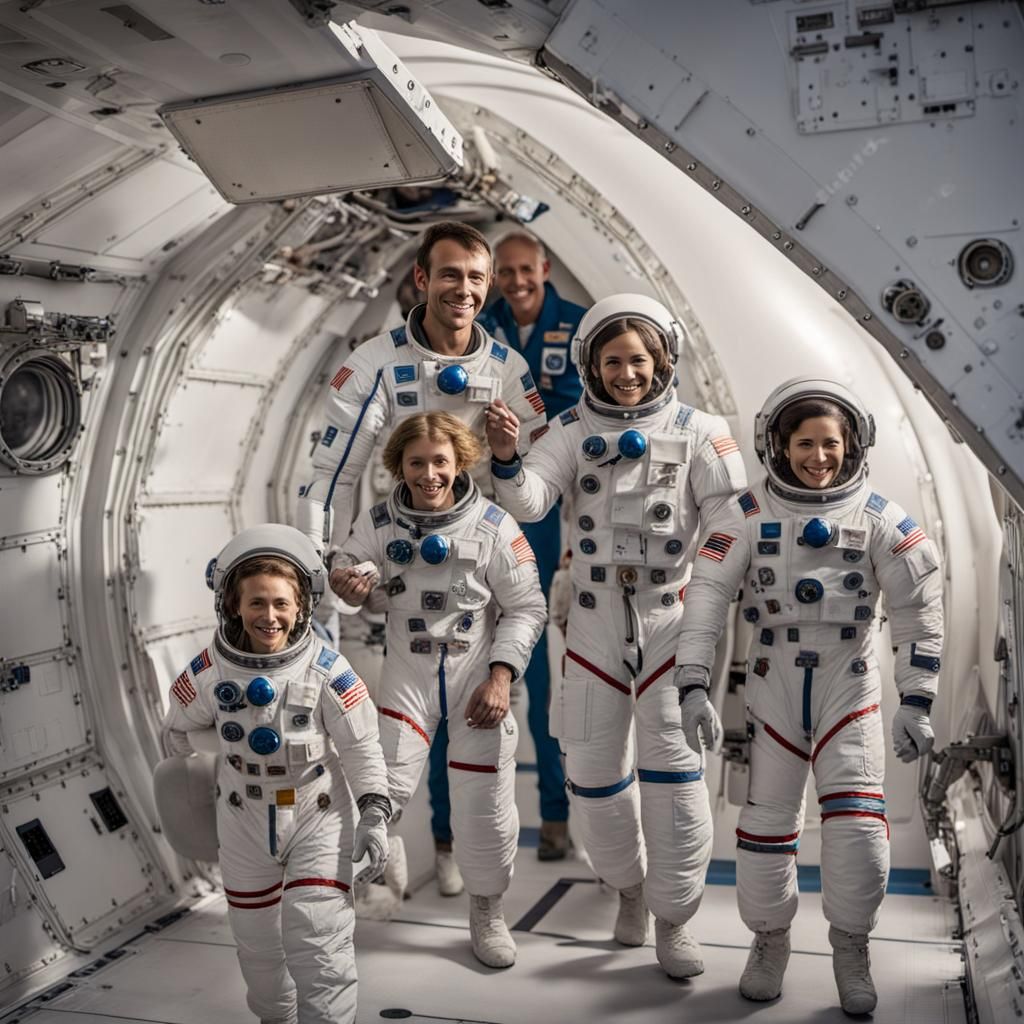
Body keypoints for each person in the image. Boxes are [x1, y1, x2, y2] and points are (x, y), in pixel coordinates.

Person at [486, 294, 747, 979]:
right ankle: (628, 889)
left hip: (670, 615)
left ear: (663, 360)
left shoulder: (702, 430)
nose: (626, 373)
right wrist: (510, 460)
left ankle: (674, 919)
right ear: (591, 367)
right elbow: (534, 501)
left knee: (675, 776)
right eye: (612, 361)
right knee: (593, 776)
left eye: (638, 360)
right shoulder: (572, 429)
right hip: (596, 618)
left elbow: (730, 526)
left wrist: (710, 605)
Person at [673, 377, 943, 1014]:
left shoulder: (880, 518)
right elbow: (706, 599)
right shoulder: (744, 515)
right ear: (779, 445)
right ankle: (770, 943)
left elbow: (917, 610)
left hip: (849, 685)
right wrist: (692, 688)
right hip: (773, 685)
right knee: (765, 829)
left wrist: (917, 699)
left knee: (856, 830)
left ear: (852, 447)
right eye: (804, 444)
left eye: (830, 444)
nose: (817, 457)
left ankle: (852, 949)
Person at [331, 412, 546, 969]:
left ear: (461, 462)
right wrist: (348, 585)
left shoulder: (495, 525)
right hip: (409, 679)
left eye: (440, 462)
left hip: (476, 680)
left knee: (484, 811)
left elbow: (527, 606)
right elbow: (347, 575)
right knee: (377, 795)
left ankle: (487, 912)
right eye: (417, 463)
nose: (429, 475)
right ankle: (366, 878)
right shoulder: (379, 522)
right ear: (398, 466)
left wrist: (502, 675)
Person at [161, 524, 391, 1024]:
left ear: (301, 607)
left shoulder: (329, 670)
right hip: (242, 815)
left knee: (320, 942)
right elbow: (177, 735)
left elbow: (362, 746)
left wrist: (375, 813)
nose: (270, 616)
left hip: (316, 811)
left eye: (282, 604)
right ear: (234, 607)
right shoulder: (208, 672)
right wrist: (205, 792)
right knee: (259, 952)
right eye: (257, 603)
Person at [295, 220, 548, 555]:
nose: (463, 289)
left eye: (475, 277)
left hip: (480, 551)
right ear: (421, 278)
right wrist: (315, 559)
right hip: (396, 545)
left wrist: (506, 459)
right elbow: (334, 476)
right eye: (449, 274)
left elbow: (530, 507)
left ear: (489, 282)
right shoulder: (375, 363)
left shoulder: (508, 369)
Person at [478, 230, 587, 860]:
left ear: (544, 268)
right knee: (472, 663)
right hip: (483, 507)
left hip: (544, 511)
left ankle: (554, 814)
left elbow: (573, 414)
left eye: (526, 270)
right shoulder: (482, 327)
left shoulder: (575, 328)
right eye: (506, 272)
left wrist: (519, 418)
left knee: (542, 668)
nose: (516, 281)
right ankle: (467, 826)